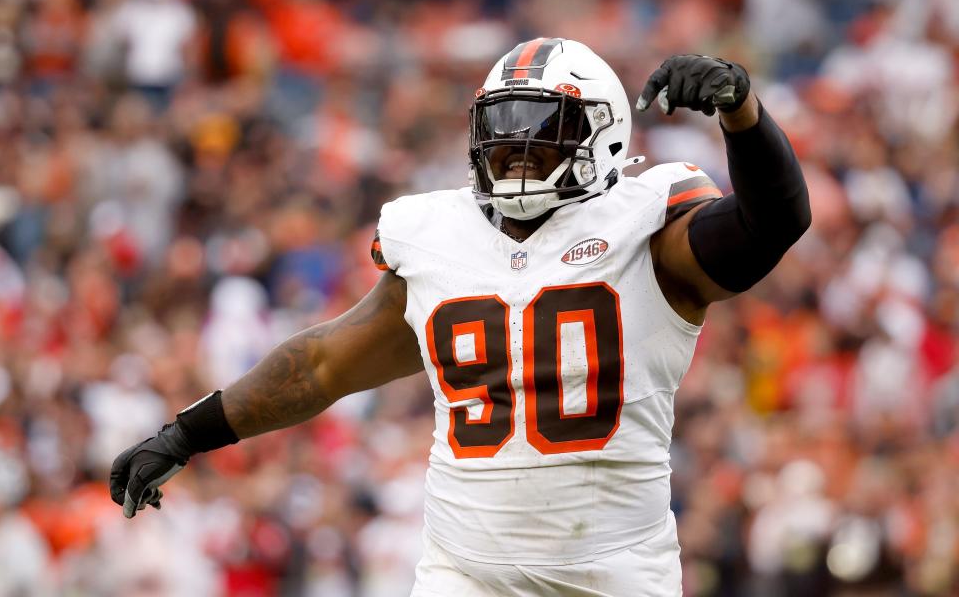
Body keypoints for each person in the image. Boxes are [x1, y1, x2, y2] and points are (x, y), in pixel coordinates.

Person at [110, 39, 810, 596]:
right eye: (501, 129)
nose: (516, 149)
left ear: (602, 136)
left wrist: (741, 111)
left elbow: (773, 222)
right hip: (464, 573)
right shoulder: (437, 238)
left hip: (611, 571)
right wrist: (184, 433)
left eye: (543, 129)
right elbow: (322, 364)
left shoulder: (648, 224)